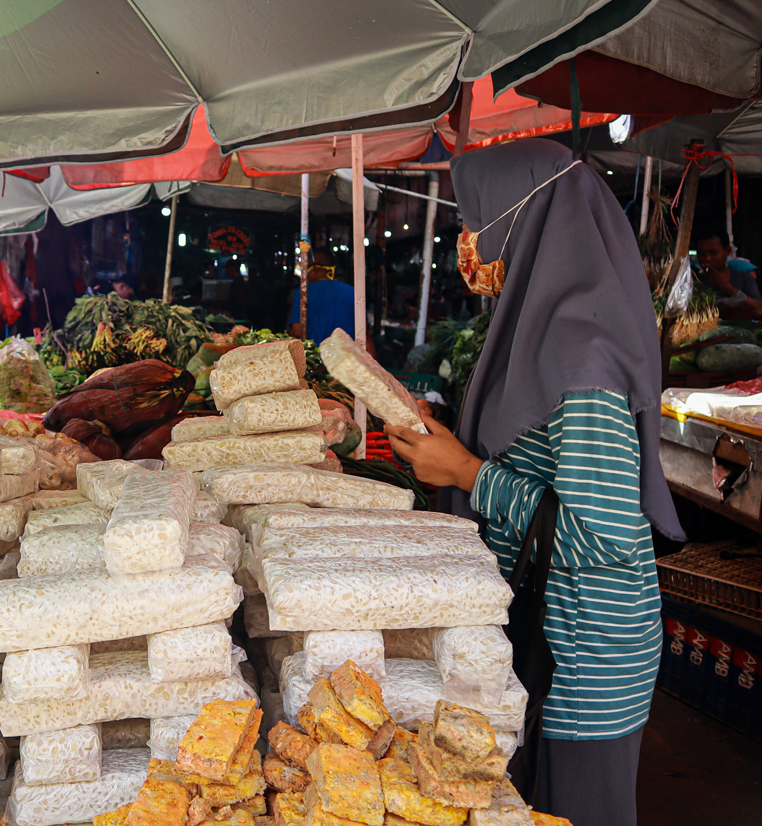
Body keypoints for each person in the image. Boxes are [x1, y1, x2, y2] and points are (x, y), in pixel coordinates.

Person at [385, 140, 683, 826]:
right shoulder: (544, 328)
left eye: (477, 219)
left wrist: (464, 472)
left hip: (585, 661)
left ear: (524, 218)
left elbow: (604, 536)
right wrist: (447, 445)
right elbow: (535, 459)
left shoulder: (581, 356)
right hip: (552, 633)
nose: (469, 241)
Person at [287, 250, 354, 342]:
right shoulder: (353, 292)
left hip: (315, 354)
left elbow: (297, 332)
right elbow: (365, 334)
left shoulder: (303, 292)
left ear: (315, 269)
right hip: (348, 355)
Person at [695, 229, 762, 319]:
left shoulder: (744, 279)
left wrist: (727, 287)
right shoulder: (695, 282)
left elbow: (759, 310)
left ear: (727, 251)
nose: (708, 258)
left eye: (713, 252)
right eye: (702, 254)